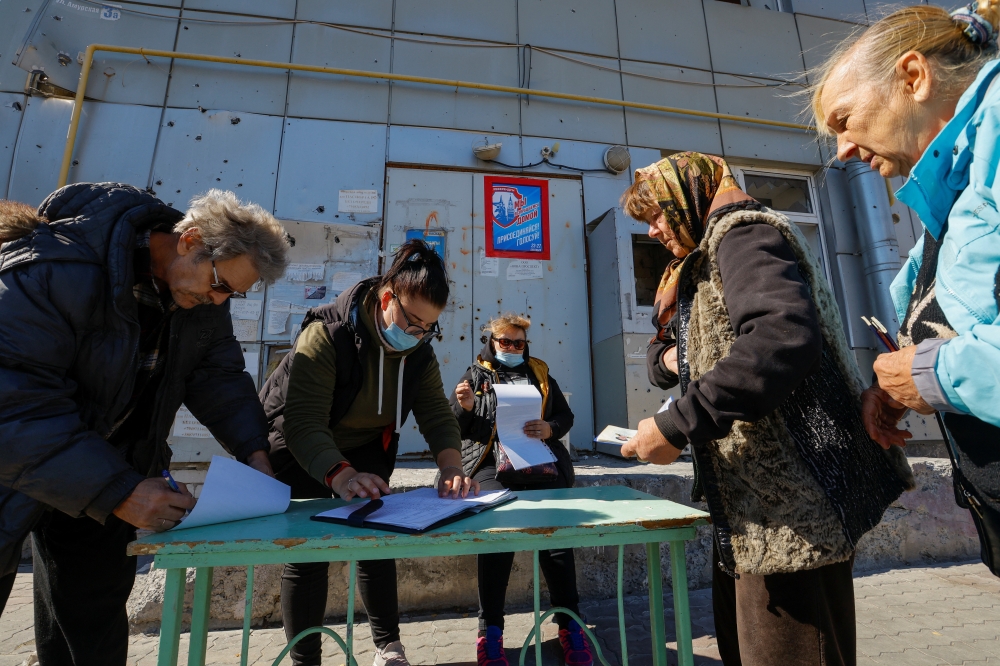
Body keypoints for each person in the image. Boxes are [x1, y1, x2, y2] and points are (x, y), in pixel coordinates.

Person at [617, 153, 914, 666]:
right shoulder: (697, 263)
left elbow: (781, 338)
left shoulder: (742, 235)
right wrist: (677, 357)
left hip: (788, 507)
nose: (655, 229)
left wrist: (675, 425)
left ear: (688, 195)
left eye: (659, 213)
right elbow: (661, 355)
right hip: (752, 507)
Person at [0, 183, 289, 664]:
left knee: (91, 635)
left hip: (109, 477)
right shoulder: (51, 271)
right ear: (190, 240)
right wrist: (120, 492)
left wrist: (255, 452)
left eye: (232, 294)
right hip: (16, 473)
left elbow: (217, 374)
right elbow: (15, 410)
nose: (220, 302)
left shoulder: (200, 299)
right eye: (220, 285)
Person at [811, 1, 1000, 568]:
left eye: (844, 120)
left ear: (913, 77)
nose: (842, 149)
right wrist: (900, 387)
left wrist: (932, 374)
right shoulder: (953, 194)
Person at [260, 239, 479, 666]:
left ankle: (389, 647)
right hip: (304, 450)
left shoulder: (418, 352)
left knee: (378, 542)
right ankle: (306, 660)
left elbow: (436, 413)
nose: (414, 336)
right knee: (310, 554)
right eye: (410, 321)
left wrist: (452, 465)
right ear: (385, 297)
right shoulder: (325, 335)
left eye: (427, 328)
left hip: (365, 450)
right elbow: (303, 422)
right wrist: (339, 475)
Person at [450, 314, 592, 666]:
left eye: (519, 343)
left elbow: (565, 416)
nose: (513, 348)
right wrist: (463, 407)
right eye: (506, 342)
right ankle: (491, 633)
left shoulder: (540, 373)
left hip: (537, 461)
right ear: (492, 342)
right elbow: (455, 424)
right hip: (489, 464)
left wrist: (549, 427)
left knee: (556, 538)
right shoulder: (474, 376)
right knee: (499, 535)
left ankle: (569, 625)